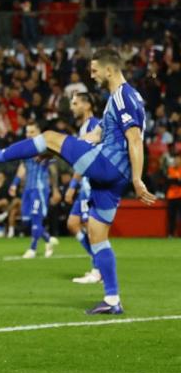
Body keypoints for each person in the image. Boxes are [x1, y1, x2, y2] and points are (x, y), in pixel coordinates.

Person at [0, 48, 156, 314]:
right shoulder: (118, 98)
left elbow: (135, 138)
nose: (92, 75)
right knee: (97, 235)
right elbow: (93, 138)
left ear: (109, 69)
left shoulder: (124, 96)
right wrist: (53, 153)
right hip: (113, 177)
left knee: (51, 135)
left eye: (94, 70)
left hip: (110, 166)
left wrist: (138, 179)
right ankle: (112, 300)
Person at [63, 92, 102, 283]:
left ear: (87, 106)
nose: (72, 107)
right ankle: (98, 263)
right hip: (84, 184)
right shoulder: (84, 128)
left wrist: (74, 185)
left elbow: (90, 157)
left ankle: (98, 270)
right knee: (72, 223)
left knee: (91, 226)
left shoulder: (95, 125)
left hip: (92, 184)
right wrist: (73, 186)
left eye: (75, 103)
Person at [9, 123, 61, 259]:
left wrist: (55, 189)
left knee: (36, 217)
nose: (29, 135)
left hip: (40, 188)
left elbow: (53, 170)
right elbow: (23, 167)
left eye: (32, 132)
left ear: (38, 133)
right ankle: (48, 240)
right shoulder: (25, 149)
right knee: (27, 220)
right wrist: (14, 184)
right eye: (27, 132)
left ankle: (32, 248)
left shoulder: (45, 148)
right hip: (28, 189)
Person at [167, 156, 181, 237]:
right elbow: (168, 182)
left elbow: (173, 181)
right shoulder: (170, 170)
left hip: (180, 196)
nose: (176, 162)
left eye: (178, 161)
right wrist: (177, 180)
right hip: (171, 196)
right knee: (171, 216)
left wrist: (174, 180)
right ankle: (171, 234)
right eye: (175, 161)